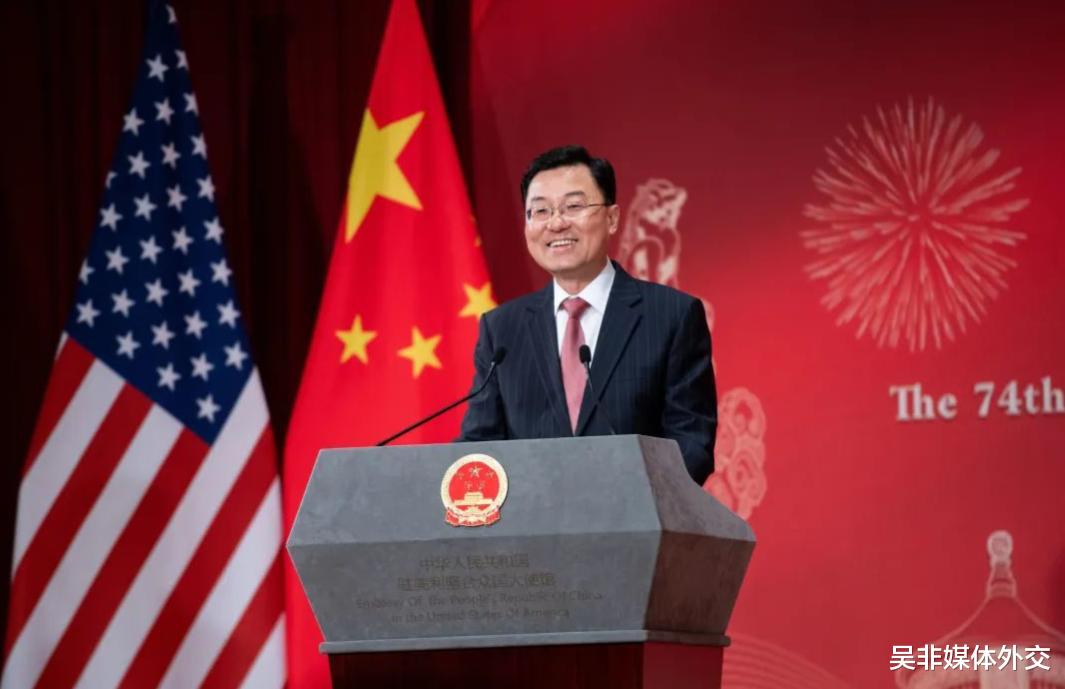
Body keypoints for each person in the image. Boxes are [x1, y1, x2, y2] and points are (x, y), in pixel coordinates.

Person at [459, 145, 716, 484]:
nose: (556, 223)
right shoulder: (502, 329)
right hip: (533, 515)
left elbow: (692, 443)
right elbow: (480, 446)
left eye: (574, 206)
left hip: (635, 512)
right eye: (540, 211)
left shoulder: (672, 316)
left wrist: (622, 497)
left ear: (612, 218)